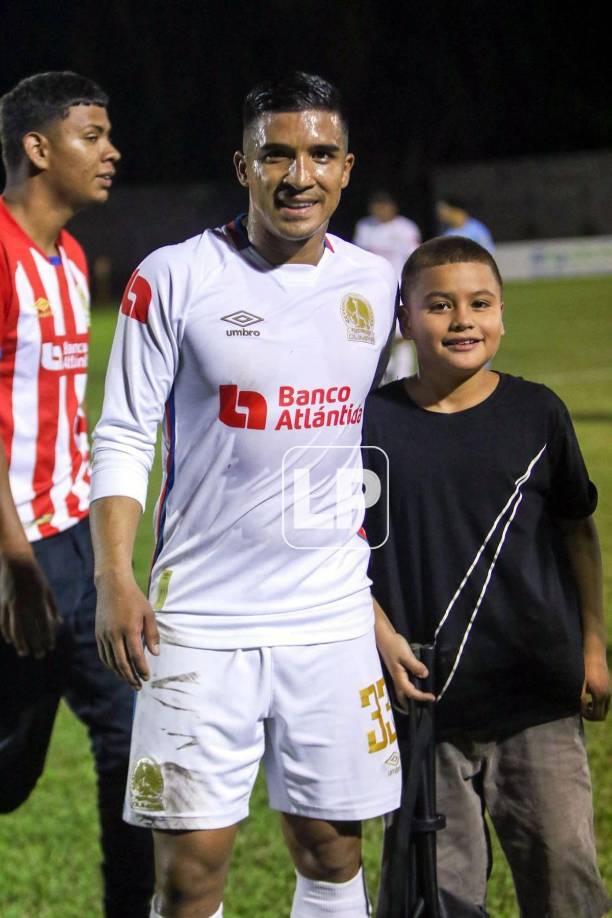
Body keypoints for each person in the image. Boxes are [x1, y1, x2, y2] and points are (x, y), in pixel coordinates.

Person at [90, 71, 413, 918]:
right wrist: (114, 577)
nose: (299, 174)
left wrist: (375, 601)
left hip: (330, 617)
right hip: (200, 618)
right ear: (243, 166)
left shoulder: (378, 286)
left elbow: (388, 438)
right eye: (277, 154)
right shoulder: (173, 276)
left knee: (334, 853)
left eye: (319, 154)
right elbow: (123, 433)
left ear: (346, 167)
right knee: (190, 874)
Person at [363, 236, 611, 918]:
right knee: (434, 900)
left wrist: (592, 648)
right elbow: (339, 553)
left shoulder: (537, 413)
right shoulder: (370, 424)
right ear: (404, 319)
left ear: (503, 316)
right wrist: (379, 633)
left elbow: (578, 532)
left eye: (479, 304)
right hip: (424, 710)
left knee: (566, 885)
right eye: (439, 306)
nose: (462, 320)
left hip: (536, 695)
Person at [0, 71, 154, 917]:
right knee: (9, 773)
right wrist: (18, 562)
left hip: (69, 542)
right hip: (11, 547)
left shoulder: (65, 262)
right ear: (37, 148)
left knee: (129, 735)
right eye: (91, 135)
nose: (111, 151)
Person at [354, 190, 421, 383]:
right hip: (372, 291)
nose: (380, 211)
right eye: (376, 207)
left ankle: (405, 379)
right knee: (376, 337)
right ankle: (381, 380)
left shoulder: (406, 228)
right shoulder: (365, 227)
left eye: (384, 207)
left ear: (393, 208)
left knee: (402, 337)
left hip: (400, 289)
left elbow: (414, 259)